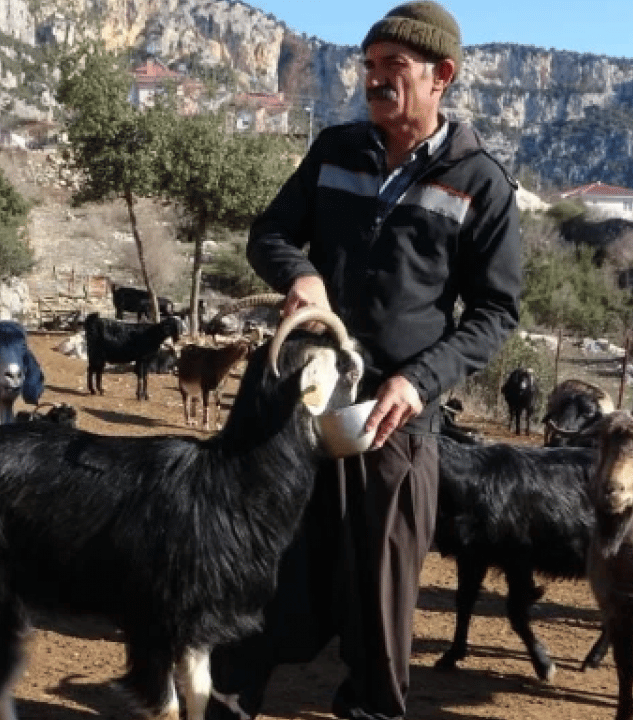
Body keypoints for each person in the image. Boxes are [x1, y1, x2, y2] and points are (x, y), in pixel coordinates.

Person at [207, 3, 522, 720]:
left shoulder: (481, 182)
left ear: (441, 76)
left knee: (381, 593)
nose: (376, 82)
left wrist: (421, 381)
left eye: (394, 69)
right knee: (254, 558)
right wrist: (297, 273)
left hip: (392, 415)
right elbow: (270, 234)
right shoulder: (334, 150)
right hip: (298, 399)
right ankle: (224, 704)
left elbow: (496, 314)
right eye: (370, 67)